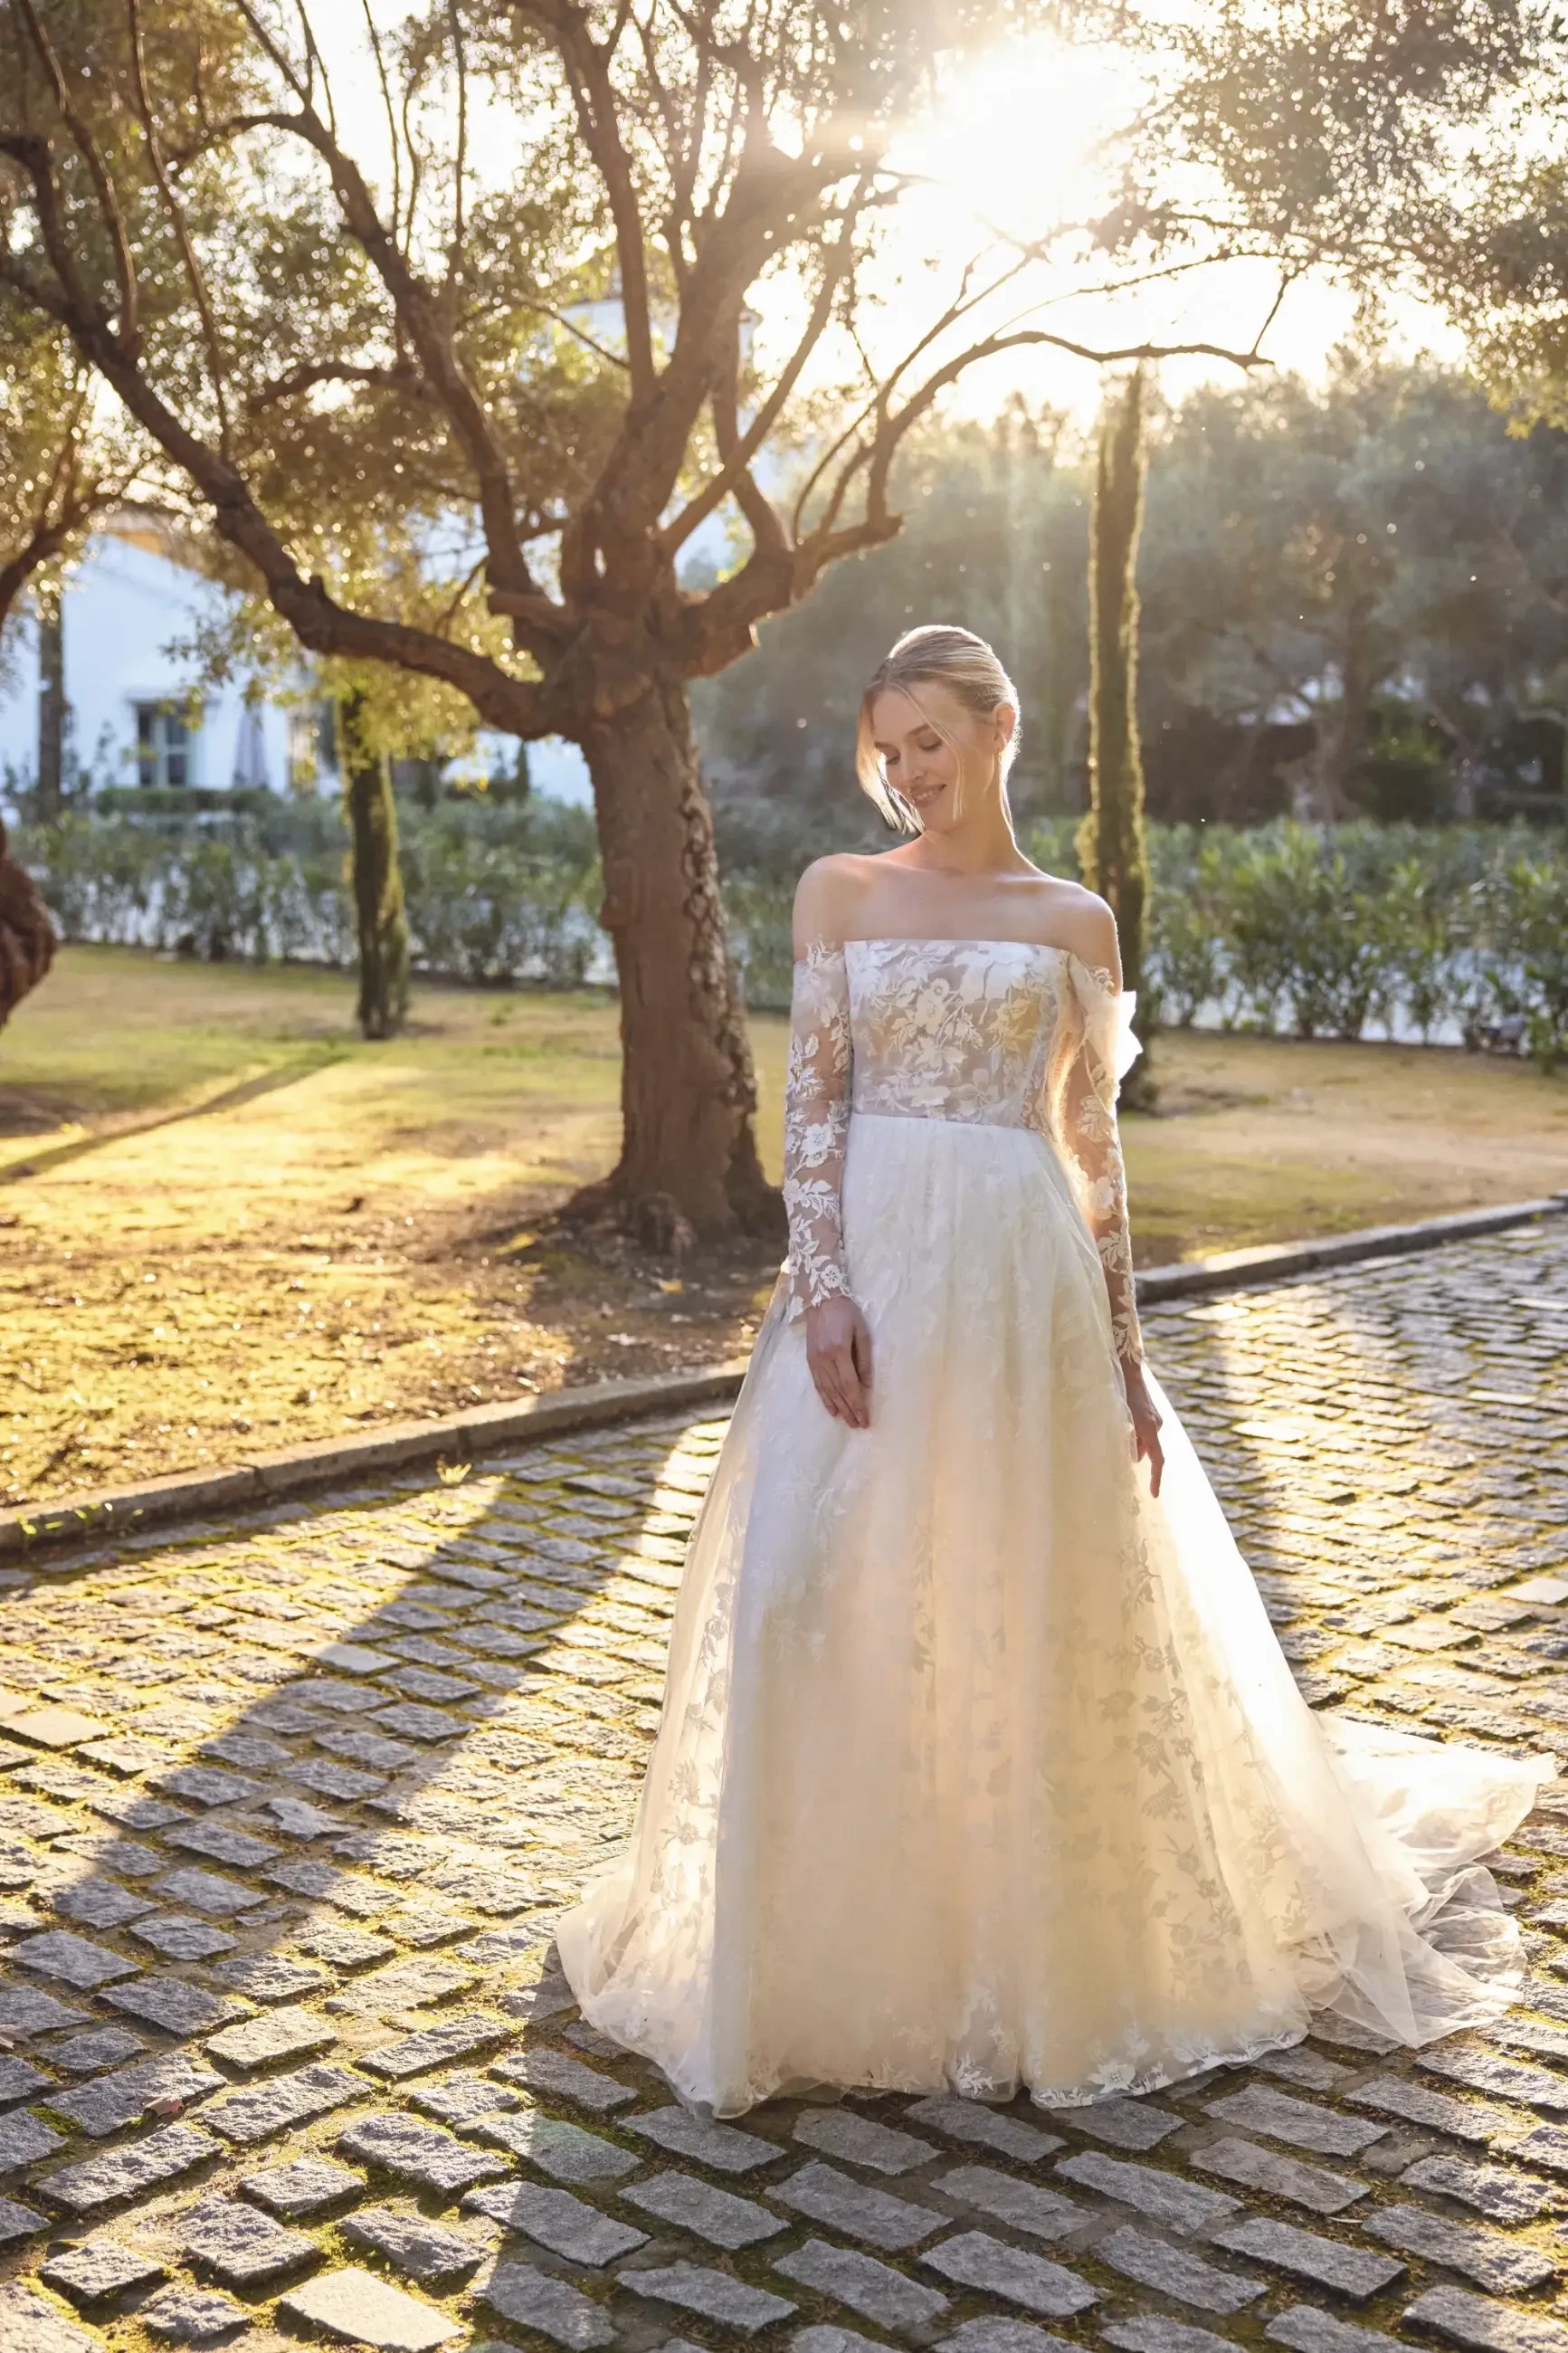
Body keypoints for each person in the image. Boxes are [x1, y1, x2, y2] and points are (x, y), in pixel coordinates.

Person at [556, 623, 1553, 2119]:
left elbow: (1093, 1155)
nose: (909, 776)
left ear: (997, 727)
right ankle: (820, 1933)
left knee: (1021, 1589)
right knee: (811, 1587)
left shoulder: (1073, 921)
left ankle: (1028, 1946)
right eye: (889, 753)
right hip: (878, 1268)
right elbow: (813, 1109)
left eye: (931, 744)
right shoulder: (841, 893)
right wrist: (821, 1293)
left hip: (1022, 1276)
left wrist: (1129, 1358)